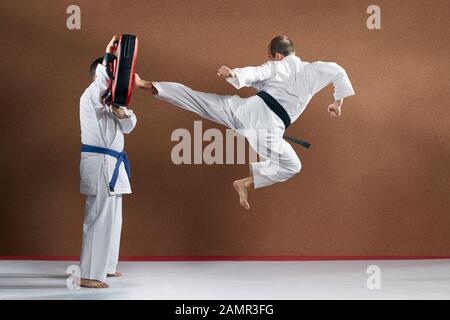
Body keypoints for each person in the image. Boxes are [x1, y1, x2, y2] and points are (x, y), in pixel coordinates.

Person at [134, 35, 355, 210]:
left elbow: (256, 72)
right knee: (293, 166)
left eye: (269, 57)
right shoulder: (313, 69)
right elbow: (339, 71)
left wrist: (234, 74)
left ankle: (150, 85)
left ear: (277, 55)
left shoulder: (276, 66)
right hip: (268, 129)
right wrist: (337, 103)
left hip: (245, 110)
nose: (269, 60)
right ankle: (247, 183)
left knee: (198, 99)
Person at [79, 36, 137, 288]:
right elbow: (103, 81)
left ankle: (107, 266)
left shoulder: (115, 102)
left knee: (114, 218)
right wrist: (108, 55)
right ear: (99, 77)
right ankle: (89, 274)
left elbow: (131, 125)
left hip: (114, 165)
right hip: (99, 161)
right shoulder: (90, 96)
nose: (113, 82)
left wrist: (121, 112)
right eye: (109, 77)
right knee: (98, 217)